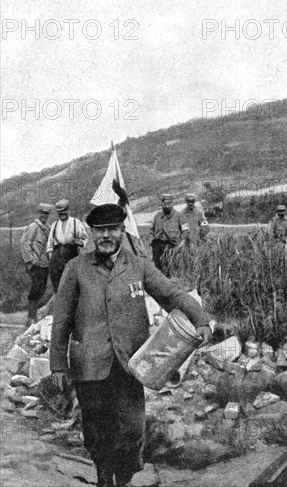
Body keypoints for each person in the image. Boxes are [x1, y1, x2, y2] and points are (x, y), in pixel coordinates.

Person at [50, 204, 211, 487]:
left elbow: (171, 295)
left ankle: (124, 476)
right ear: (92, 233)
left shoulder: (139, 265)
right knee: (97, 428)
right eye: (100, 230)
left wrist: (201, 319)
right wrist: (58, 365)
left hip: (131, 364)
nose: (106, 235)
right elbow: (61, 322)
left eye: (112, 229)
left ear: (122, 231)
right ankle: (103, 477)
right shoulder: (75, 269)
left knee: (133, 429)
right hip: (90, 363)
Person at [20, 203, 52, 327]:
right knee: (36, 288)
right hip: (35, 263)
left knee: (41, 289)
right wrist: (31, 261)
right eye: (42, 213)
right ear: (38, 214)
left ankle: (34, 316)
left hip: (44, 263)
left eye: (46, 213)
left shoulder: (47, 227)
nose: (44, 215)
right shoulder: (34, 227)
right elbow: (24, 243)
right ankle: (31, 318)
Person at [47, 198, 88, 292]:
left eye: (64, 211)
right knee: (58, 286)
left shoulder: (75, 222)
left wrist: (78, 242)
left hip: (72, 256)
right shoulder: (54, 225)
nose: (62, 214)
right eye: (60, 212)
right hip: (57, 259)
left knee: (72, 283)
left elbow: (85, 239)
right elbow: (50, 244)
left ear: (68, 210)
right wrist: (51, 258)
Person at [150, 194, 183, 271]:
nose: (167, 206)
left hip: (172, 247)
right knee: (157, 269)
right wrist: (152, 239)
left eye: (169, 204)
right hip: (157, 247)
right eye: (165, 204)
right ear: (162, 204)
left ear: (172, 204)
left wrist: (179, 244)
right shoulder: (157, 216)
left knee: (171, 269)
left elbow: (185, 232)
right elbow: (151, 230)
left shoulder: (179, 216)